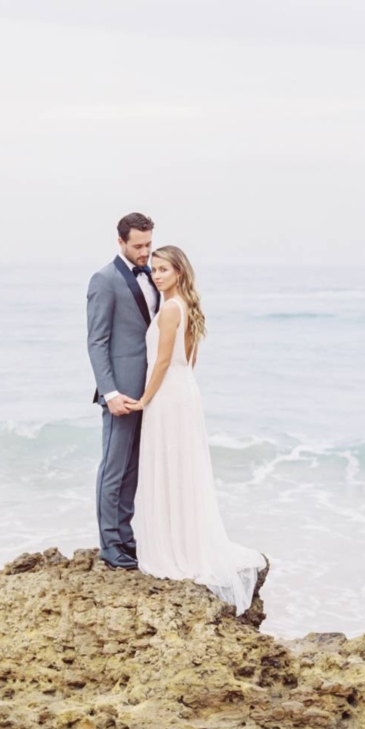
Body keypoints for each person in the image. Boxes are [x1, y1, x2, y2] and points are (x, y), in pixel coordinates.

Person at [126, 246, 266, 614]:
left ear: (179, 272)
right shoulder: (186, 306)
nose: (157, 275)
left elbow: (160, 362)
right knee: (179, 468)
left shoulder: (171, 309)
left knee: (169, 468)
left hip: (167, 395)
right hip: (184, 390)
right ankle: (182, 540)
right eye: (154, 269)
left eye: (163, 270)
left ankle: (175, 548)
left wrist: (143, 400)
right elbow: (189, 361)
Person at [85, 213, 160, 570]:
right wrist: (110, 392)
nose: (145, 252)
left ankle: (126, 538)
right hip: (120, 393)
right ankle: (109, 545)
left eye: (148, 244)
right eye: (138, 246)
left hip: (149, 390)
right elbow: (97, 341)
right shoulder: (104, 279)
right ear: (121, 243)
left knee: (133, 468)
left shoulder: (154, 276)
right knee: (113, 469)